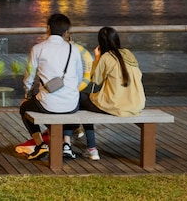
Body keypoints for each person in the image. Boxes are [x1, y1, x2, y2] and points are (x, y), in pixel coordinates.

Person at [68, 26, 146, 161]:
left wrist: (97, 57)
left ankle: (85, 143)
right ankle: (84, 141)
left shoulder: (106, 57)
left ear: (101, 42)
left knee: (79, 98)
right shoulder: (128, 54)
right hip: (136, 103)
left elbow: (95, 80)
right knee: (86, 102)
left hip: (116, 105)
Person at [15, 31, 94, 155]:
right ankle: (68, 144)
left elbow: (29, 77)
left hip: (47, 102)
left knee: (24, 107)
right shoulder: (73, 50)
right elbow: (79, 76)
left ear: (48, 29)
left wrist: (27, 95)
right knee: (68, 109)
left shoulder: (39, 48)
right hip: (71, 104)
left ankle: (40, 144)